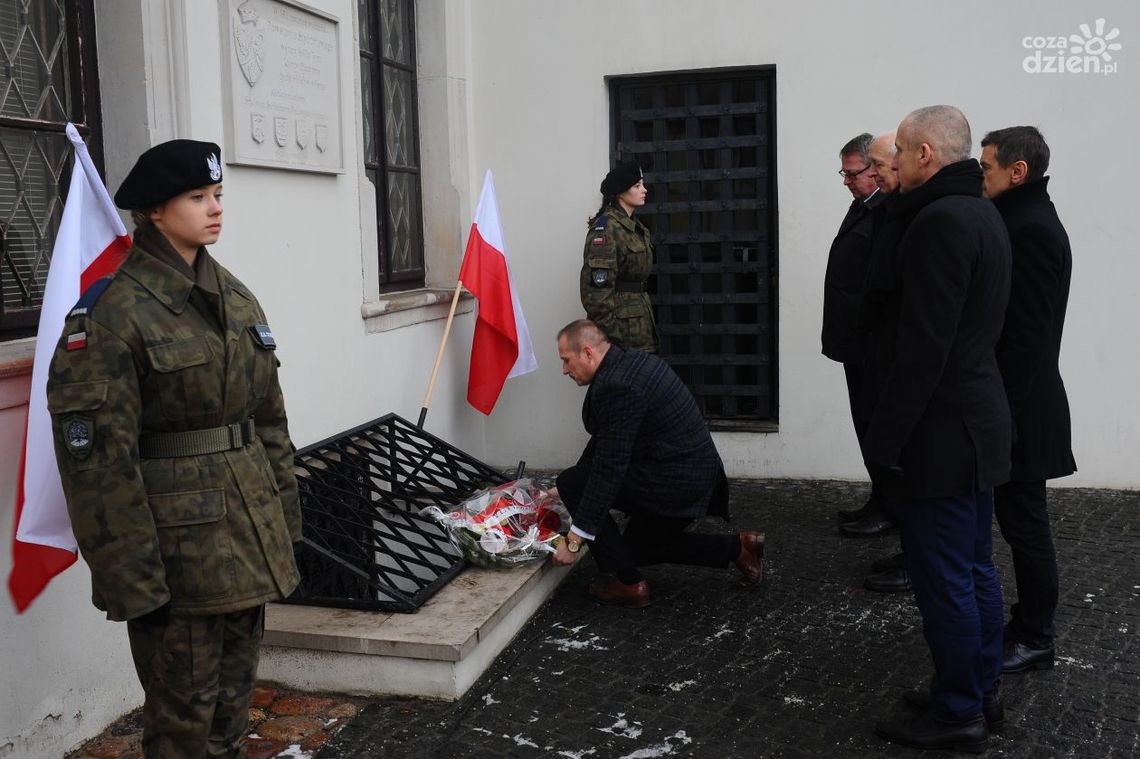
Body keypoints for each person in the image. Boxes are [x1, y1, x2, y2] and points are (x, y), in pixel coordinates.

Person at [47, 140, 302, 758]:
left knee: (230, 718)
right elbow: (99, 468)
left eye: (218, 195)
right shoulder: (113, 314)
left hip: (247, 537)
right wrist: (132, 581)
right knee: (182, 726)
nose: (215, 208)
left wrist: (286, 527)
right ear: (155, 211)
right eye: (197, 197)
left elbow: (268, 423)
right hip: (177, 560)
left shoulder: (235, 297)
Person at [863, 106, 1010, 753]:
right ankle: (978, 686)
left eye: (899, 150)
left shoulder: (940, 221)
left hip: (942, 432)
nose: (892, 162)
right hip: (974, 420)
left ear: (925, 153)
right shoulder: (980, 211)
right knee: (973, 567)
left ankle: (959, 710)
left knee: (946, 577)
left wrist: (885, 439)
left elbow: (924, 347)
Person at [549, 320, 763, 607]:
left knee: (572, 482)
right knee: (631, 550)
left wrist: (574, 540)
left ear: (587, 352)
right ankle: (739, 548)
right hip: (689, 472)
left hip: (678, 481)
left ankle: (629, 585)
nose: (564, 370)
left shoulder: (617, 385)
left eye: (566, 360)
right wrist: (571, 488)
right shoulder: (628, 362)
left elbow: (609, 469)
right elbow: (607, 438)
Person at [980, 126, 1077, 673]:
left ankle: (1037, 634)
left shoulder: (1032, 228)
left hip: (1022, 408)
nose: (981, 175)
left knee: (1026, 525)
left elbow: (1027, 338)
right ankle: (1027, 624)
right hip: (1017, 403)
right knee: (1020, 522)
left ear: (1017, 172)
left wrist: (1005, 414)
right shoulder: (1022, 219)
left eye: (987, 167)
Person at [821, 132, 893, 538]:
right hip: (855, 341)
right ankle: (879, 498)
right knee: (865, 424)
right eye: (844, 174)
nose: (847, 181)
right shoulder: (863, 206)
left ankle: (889, 506)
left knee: (877, 426)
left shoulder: (885, 210)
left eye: (853, 173)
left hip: (871, 343)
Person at [858, 131, 912, 593]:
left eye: (877, 164)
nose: (874, 173)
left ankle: (916, 559)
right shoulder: (893, 210)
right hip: (881, 351)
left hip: (903, 364)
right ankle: (911, 549)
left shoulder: (926, 216)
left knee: (908, 469)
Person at [580, 161, 658, 353]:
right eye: (637, 186)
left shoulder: (636, 227)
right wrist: (613, 338)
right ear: (621, 192)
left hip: (638, 327)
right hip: (621, 334)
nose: (644, 190)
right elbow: (596, 295)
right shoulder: (606, 229)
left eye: (642, 184)